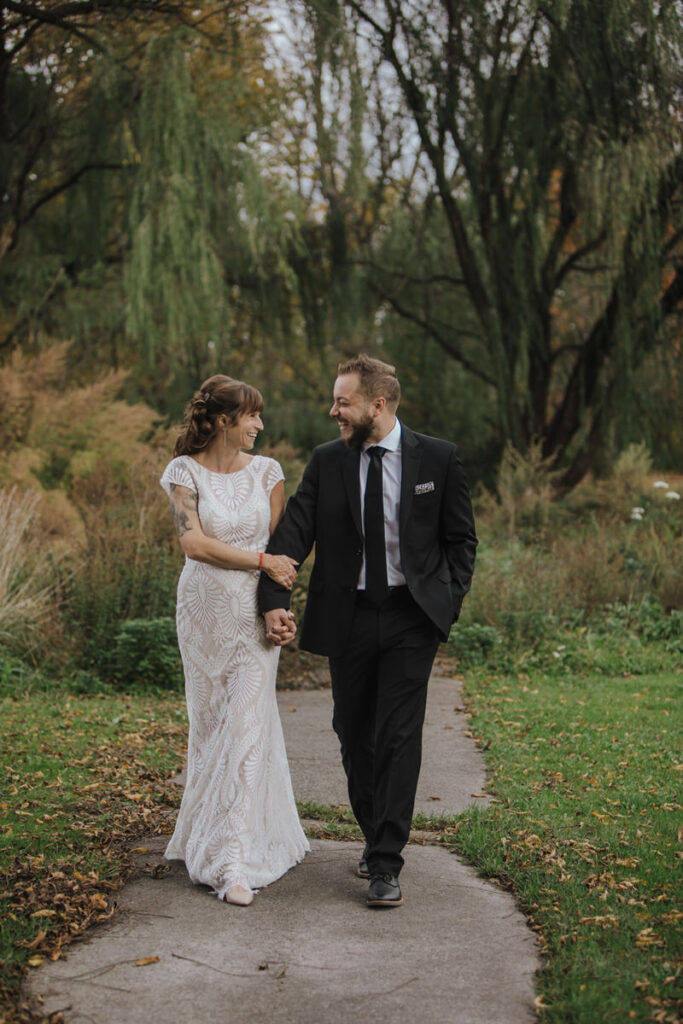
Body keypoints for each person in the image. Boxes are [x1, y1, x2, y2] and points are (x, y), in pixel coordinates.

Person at [258, 355, 477, 908]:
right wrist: (273, 601)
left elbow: (461, 541)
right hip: (348, 616)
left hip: (411, 617)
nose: (333, 410)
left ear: (377, 405)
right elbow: (293, 535)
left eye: (343, 401)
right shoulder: (328, 461)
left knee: (399, 735)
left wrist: (445, 604)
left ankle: (386, 860)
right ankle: (373, 830)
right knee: (354, 733)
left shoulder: (439, 458)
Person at [160, 374, 309, 906]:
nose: (260, 426)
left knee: (246, 726)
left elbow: (281, 550)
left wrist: (277, 610)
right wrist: (261, 558)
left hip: (250, 618)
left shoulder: (269, 472)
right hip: (200, 612)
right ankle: (201, 830)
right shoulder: (183, 472)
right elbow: (194, 544)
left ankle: (231, 861)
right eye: (252, 417)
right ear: (225, 420)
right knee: (209, 725)